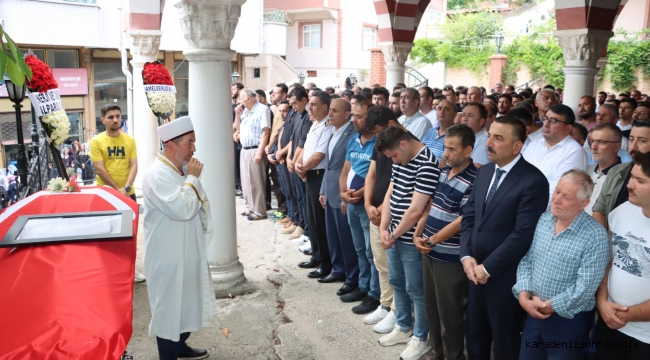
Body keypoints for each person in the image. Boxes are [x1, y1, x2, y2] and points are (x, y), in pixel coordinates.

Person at [460, 116, 549, 360]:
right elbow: (469, 217)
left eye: (498, 138)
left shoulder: (533, 181)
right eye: (489, 135)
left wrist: (487, 268)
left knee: (505, 342)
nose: (489, 143)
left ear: (516, 146)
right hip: (474, 272)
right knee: (475, 335)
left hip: (505, 277)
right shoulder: (486, 171)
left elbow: (523, 234)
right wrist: (467, 255)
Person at [514, 170, 609, 360]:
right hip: (533, 312)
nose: (556, 199)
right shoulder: (543, 219)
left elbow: (585, 288)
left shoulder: (595, 236)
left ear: (584, 203)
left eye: (566, 197)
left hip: (569, 321)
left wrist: (548, 306)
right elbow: (527, 260)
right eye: (557, 191)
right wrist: (523, 296)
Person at [143, 116, 213, 360]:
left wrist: (189, 177)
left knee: (186, 301)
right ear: (172, 145)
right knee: (170, 306)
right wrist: (193, 179)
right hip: (168, 254)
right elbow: (183, 209)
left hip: (184, 249)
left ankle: (181, 347)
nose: (194, 149)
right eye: (189, 143)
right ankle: (168, 355)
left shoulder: (178, 169)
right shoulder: (157, 174)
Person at [413, 124, 478, 360]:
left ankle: (453, 355)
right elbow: (430, 204)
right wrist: (418, 233)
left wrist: (431, 241)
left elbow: (463, 220)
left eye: (452, 149)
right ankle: (437, 351)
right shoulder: (444, 171)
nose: (446, 153)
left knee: (449, 313)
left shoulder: (474, 179)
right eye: (445, 148)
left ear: (468, 150)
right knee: (431, 308)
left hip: (449, 257)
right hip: (429, 250)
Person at [376, 127, 440, 360]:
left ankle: (421, 337)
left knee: (416, 290)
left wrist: (392, 235)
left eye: (393, 156)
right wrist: (384, 228)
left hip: (411, 238)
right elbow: (390, 193)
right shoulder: (401, 159)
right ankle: (403, 326)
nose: (394, 161)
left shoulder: (427, 163)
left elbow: (416, 210)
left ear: (403, 144)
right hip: (394, 234)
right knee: (397, 282)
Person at [363, 106, 414, 334]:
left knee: (396, 270)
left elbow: (401, 186)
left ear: (391, 125)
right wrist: (368, 204)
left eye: (379, 131)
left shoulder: (408, 145)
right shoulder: (381, 143)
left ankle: (397, 312)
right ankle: (385, 304)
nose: (377, 137)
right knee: (380, 263)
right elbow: (371, 173)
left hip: (393, 216)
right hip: (377, 214)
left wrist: (382, 209)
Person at [595, 151, 650, 360]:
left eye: (640, 180)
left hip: (645, 338)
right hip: (609, 326)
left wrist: (624, 315)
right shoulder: (621, 211)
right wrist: (602, 302)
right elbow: (608, 261)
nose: (629, 184)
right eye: (632, 177)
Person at [90, 104, 143, 283]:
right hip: (106, 193)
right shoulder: (97, 141)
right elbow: (100, 169)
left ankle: (130, 269)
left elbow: (134, 165)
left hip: (128, 193)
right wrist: (116, 190)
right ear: (103, 120)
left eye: (118, 116)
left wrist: (126, 189)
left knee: (131, 233)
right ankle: (109, 269)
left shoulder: (130, 140)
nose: (115, 120)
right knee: (107, 233)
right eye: (111, 117)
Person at [338, 100, 381, 314]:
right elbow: (346, 170)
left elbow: (379, 176)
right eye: (353, 116)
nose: (354, 120)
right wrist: (343, 194)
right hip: (352, 203)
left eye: (359, 116)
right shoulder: (353, 140)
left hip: (368, 204)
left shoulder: (379, 142)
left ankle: (374, 293)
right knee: (359, 248)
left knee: (371, 250)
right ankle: (363, 287)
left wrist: (362, 194)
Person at [319, 98, 359, 294]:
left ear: (346, 114)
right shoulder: (331, 131)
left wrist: (345, 195)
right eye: (330, 110)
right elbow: (329, 163)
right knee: (333, 235)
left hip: (343, 192)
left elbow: (350, 168)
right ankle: (337, 269)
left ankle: (351, 277)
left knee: (346, 239)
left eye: (334, 110)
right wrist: (323, 190)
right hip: (330, 189)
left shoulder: (353, 134)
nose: (330, 114)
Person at [295, 90, 333, 279]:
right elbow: (307, 148)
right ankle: (317, 255)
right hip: (310, 173)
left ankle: (325, 262)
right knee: (312, 218)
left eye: (314, 104)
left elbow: (319, 154)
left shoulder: (328, 126)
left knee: (320, 221)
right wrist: (301, 167)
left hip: (319, 174)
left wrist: (302, 168)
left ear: (325, 107)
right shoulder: (315, 124)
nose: (310, 107)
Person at [523, 104, 587, 205]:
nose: (546, 124)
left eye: (553, 121)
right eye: (545, 119)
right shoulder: (533, 144)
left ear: (568, 128)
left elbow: (560, 191)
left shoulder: (574, 151)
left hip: (544, 211)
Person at [592, 119, 650, 228]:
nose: (634, 146)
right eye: (631, 139)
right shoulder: (616, 170)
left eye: (642, 141)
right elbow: (600, 210)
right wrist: (604, 241)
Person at [233, 88, 271, 221]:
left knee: (256, 182)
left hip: (255, 148)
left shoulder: (262, 109)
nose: (240, 102)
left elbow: (265, 132)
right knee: (246, 181)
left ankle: (260, 211)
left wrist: (260, 152)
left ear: (249, 98)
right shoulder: (246, 112)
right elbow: (237, 128)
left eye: (241, 99)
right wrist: (237, 115)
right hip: (244, 148)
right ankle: (251, 207)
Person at [585, 123, 623, 214]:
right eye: (592, 141)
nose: (594, 147)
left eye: (601, 142)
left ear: (617, 147)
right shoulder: (586, 170)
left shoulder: (623, 177)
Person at [460, 102, 490, 166]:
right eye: (463, 115)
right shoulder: (457, 137)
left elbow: (476, 168)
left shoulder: (485, 141)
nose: (465, 119)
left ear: (481, 121)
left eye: (470, 115)